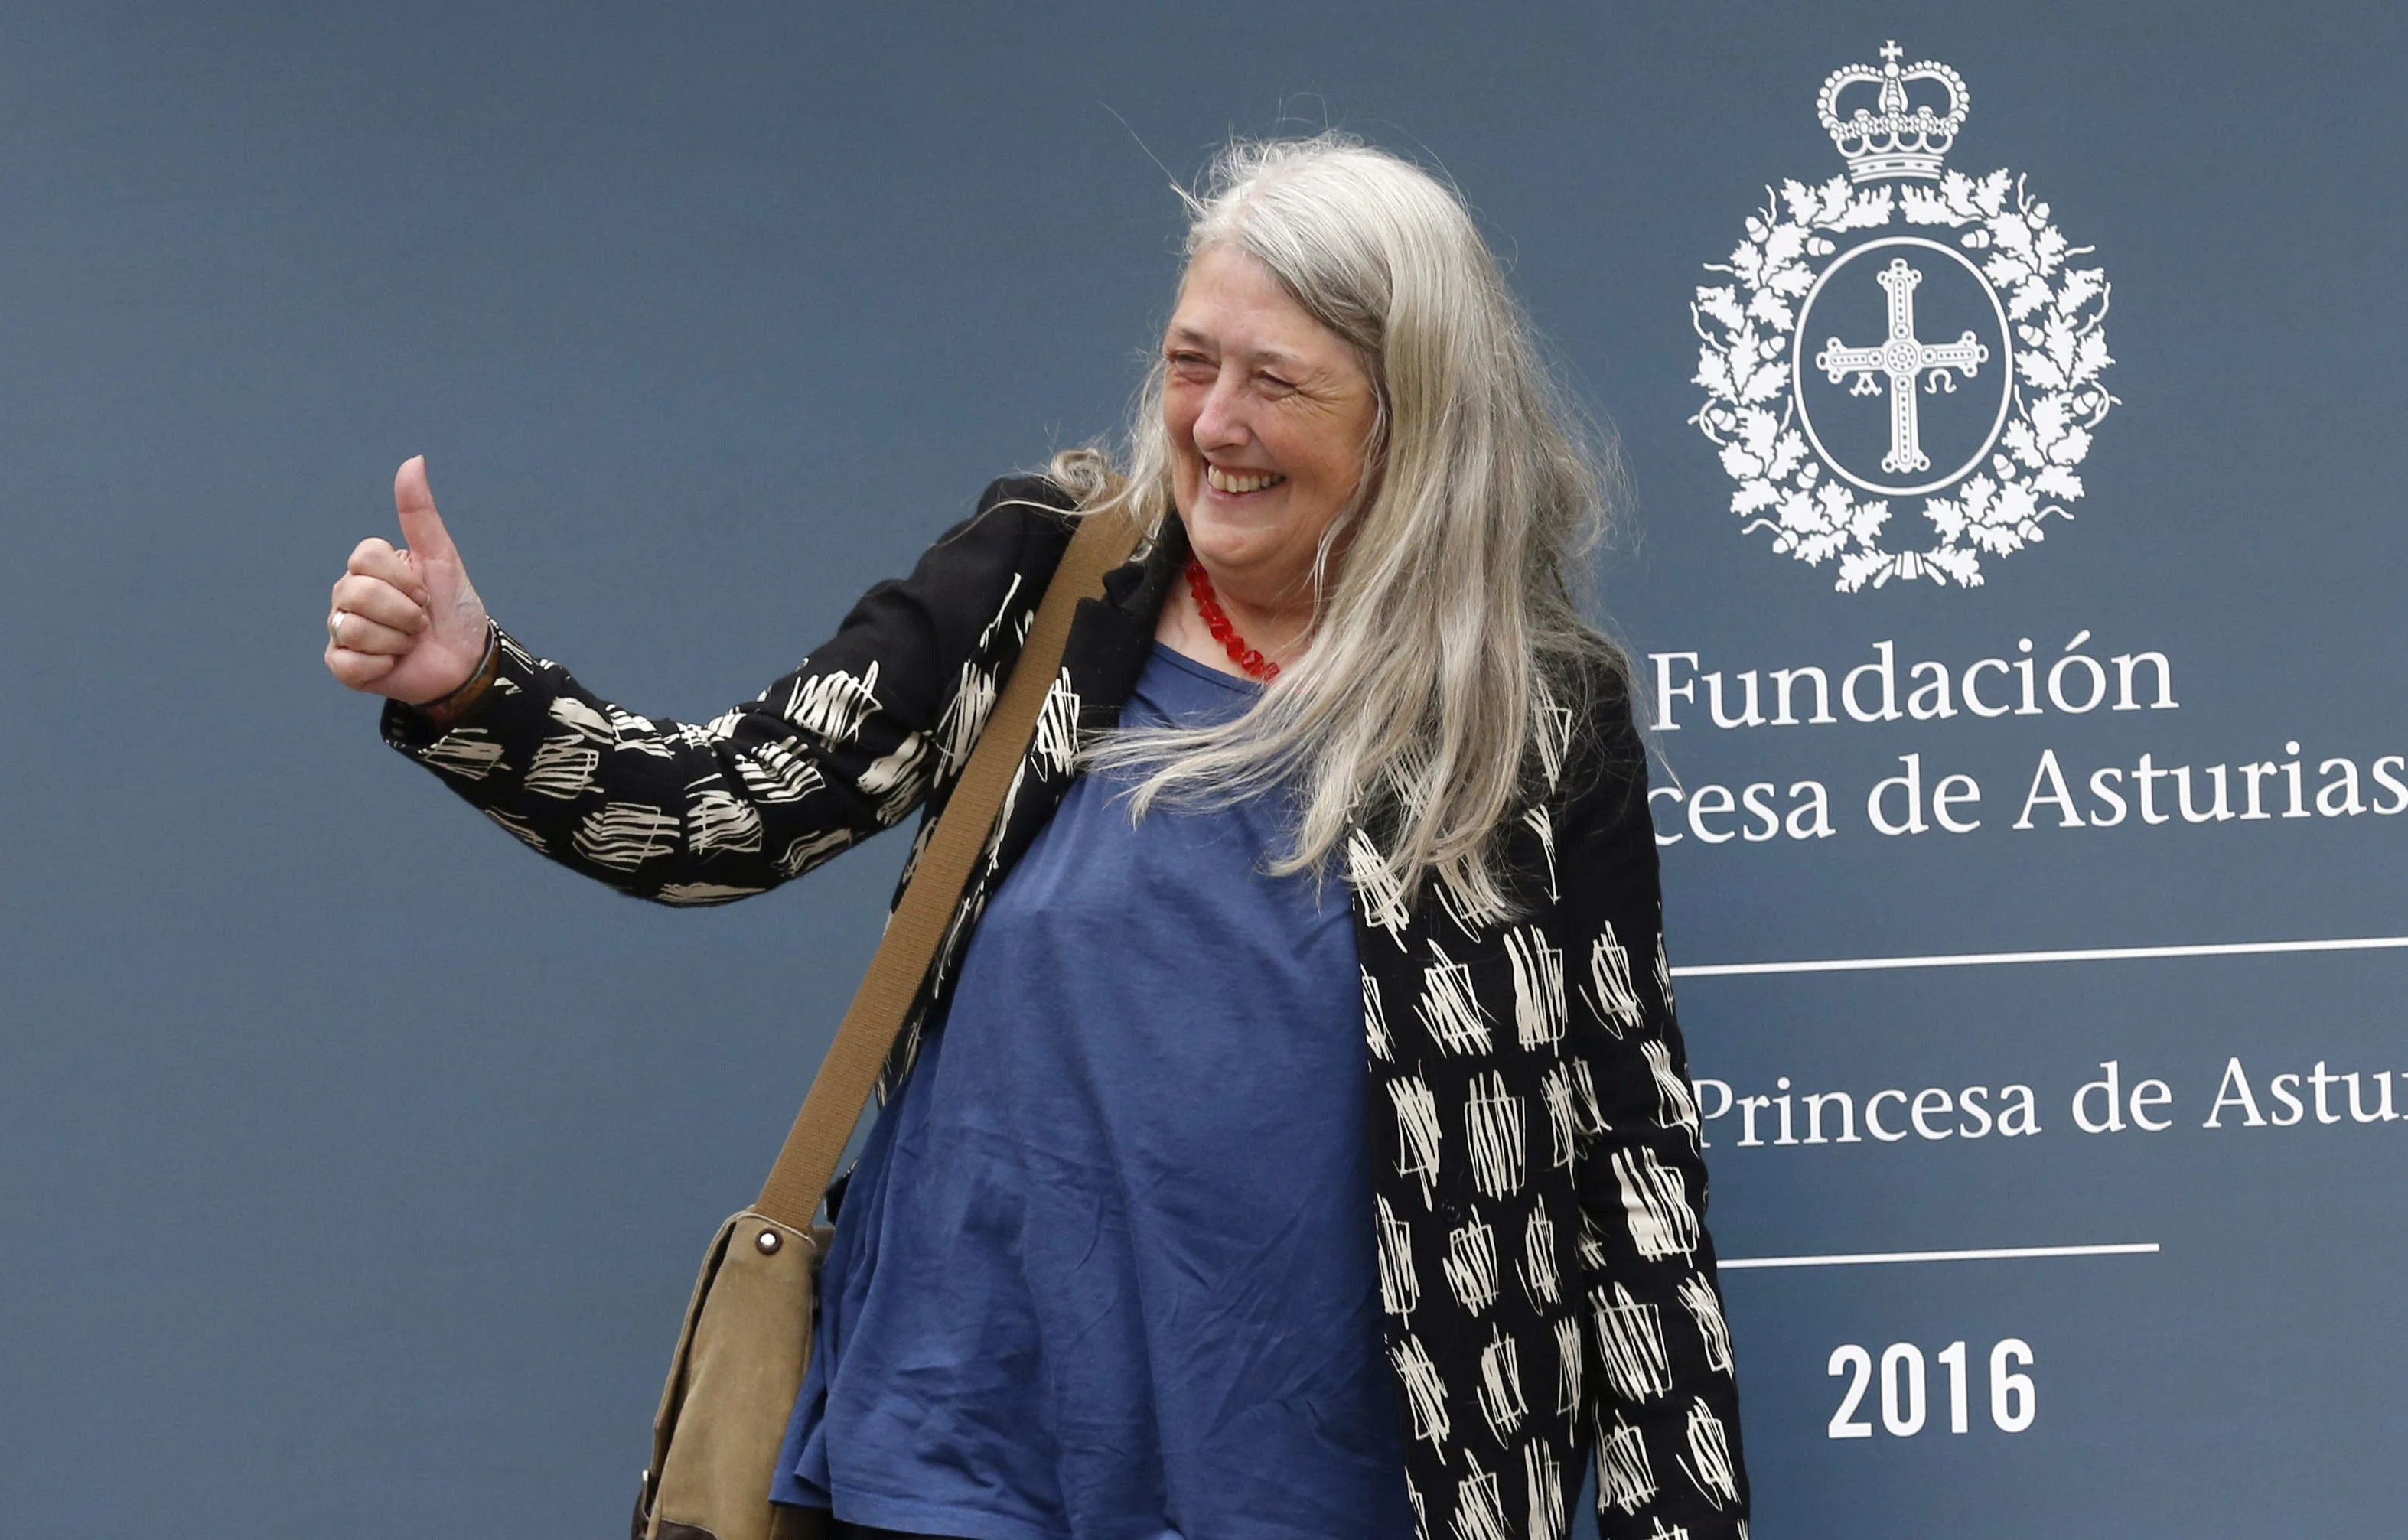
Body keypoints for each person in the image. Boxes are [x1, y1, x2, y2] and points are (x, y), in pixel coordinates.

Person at [323, 135, 1749, 1540]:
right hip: (959, 1460)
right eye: (1191, 364)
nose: (1212, 425)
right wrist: (475, 686)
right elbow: (727, 814)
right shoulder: (1045, 578)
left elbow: (1624, 1156)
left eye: (1278, 382)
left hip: (1331, 1486)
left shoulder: (1533, 715)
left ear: (1411, 413)